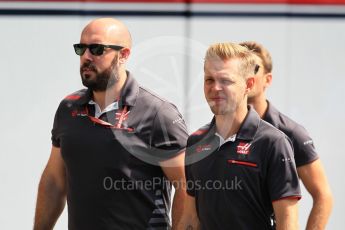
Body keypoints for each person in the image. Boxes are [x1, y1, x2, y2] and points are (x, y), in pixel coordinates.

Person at [33, 18, 189, 230]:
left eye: (97, 49)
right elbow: (54, 181)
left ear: (123, 55)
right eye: (81, 49)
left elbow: (187, 186)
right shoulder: (68, 109)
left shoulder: (158, 113)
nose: (86, 57)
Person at [179, 42, 301, 229]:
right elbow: (189, 218)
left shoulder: (273, 143)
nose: (215, 88)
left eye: (226, 81)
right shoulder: (196, 141)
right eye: (209, 80)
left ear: (249, 84)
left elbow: (288, 223)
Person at [240, 41, 333, 230]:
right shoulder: (219, 130)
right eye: (240, 69)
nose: (246, 75)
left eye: (253, 68)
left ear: (268, 79)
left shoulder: (291, 133)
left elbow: (323, 196)